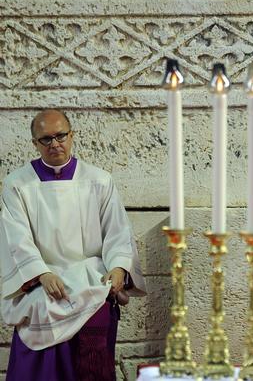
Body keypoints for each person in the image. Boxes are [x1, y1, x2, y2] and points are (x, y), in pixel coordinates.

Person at [0, 109, 146, 380]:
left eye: (60, 136)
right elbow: (15, 238)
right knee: (41, 315)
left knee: (98, 300)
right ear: (34, 143)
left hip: (90, 275)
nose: (55, 144)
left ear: (72, 135)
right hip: (44, 281)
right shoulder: (17, 184)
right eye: (45, 139)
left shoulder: (100, 181)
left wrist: (117, 268)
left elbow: (118, 231)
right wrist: (41, 273)